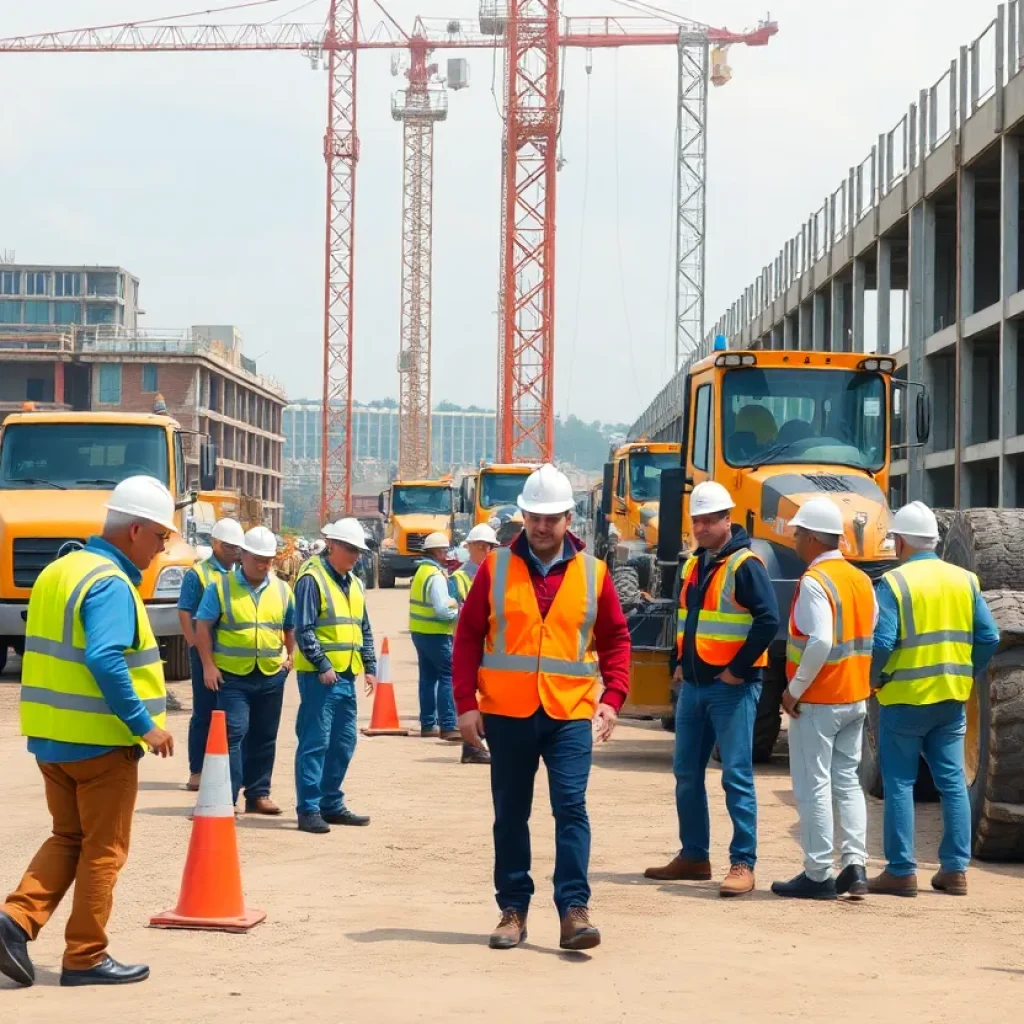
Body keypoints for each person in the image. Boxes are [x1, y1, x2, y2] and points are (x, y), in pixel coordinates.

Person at [0, 476, 176, 988]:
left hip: (52, 738)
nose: (162, 548)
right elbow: (103, 657)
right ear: (135, 530)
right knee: (104, 849)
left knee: (69, 836)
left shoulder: (60, 571)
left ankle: (14, 921)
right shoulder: (110, 583)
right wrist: (144, 726)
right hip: (101, 743)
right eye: (160, 536)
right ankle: (85, 956)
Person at [453, 464, 631, 951]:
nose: (542, 526)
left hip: (569, 713)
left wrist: (613, 698)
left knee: (571, 809)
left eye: (552, 518)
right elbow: (467, 637)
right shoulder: (495, 568)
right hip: (507, 713)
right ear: (524, 517)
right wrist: (465, 704)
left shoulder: (593, 573)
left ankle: (574, 911)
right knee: (510, 814)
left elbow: (616, 639)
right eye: (535, 517)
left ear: (569, 518)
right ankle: (513, 910)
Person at [644, 481, 778, 897]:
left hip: (731, 688)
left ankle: (743, 862)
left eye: (708, 520)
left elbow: (769, 621)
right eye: (696, 520)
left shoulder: (745, 565)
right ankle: (694, 856)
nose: (701, 528)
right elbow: (686, 619)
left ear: (727, 520)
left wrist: (737, 669)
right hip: (695, 685)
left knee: (735, 775)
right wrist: (679, 662)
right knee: (686, 773)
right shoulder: (693, 564)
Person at [868, 501, 1000, 898]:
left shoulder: (894, 583)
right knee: (953, 783)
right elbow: (989, 637)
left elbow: (882, 642)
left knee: (900, 783)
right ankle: (955, 870)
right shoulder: (965, 580)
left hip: (903, 700)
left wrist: (874, 679)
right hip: (951, 700)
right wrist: (966, 672)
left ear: (901, 542)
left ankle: (901, 871)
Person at [769, 499, 876, 901]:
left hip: (819, 700)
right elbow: (869, 629)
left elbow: (821, 641)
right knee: (847, 783)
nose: (795, 539)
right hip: (854, 696)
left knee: (813, 785)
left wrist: (793, 690)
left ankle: (818, 874)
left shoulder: (815, 582)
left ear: (813, 538)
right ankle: (855, 866)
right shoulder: (860, 580)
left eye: (798, 533)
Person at [195, 525, 296, 814]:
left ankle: (258, 794)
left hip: (270, 675)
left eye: (268, 560)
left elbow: (290, 626)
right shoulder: (221, 588)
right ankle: (226, 797)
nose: (264, 565)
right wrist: (208, 666)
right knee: (233, 734)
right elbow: (203, 627)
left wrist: (290, 658)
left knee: (265, 736)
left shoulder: (282, 590)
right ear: (243, 556)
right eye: (258, 560)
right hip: (232, 677)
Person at [292, 518, 378, 835]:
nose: (356, 556)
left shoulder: (354, 583)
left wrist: (370, 666)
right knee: (315, 742)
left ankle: (330, 803)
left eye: (358, 551)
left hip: (346, 674)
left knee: (343, 741)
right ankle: (309, 808)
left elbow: (363, 627)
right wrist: (322, 664)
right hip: (320, 677)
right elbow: (304, 628)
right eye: (350, 549)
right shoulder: (312, 579)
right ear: (332, 545)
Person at [177, 517, 244, 791]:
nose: (234, 552)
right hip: (204, 651)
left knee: (229, 713)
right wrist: (193, 642)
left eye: (237, 548)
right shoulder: (198, 574)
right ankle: (197, 770)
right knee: (204, 711)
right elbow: (185, 610)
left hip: (231, 652)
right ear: (215, 544)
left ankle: (225, 768)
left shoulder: (240, 574)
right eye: (229, 547)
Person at [449, 523, 500, 766]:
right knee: (472, 696)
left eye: (491, 547)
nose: (490, 551)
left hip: (488, 644)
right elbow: (452, 610)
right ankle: (473, 747)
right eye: (486, 546)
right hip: (469, 643)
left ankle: (477, 746)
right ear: (474, 547)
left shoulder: (494, 574)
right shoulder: (460, 577)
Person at [409, 531, 461, 742]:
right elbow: (442, 610)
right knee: (448, 675)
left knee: (428, 678)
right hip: (437, 633)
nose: (447, 555)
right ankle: (448, 725)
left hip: (420, 632)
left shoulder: (421, 572)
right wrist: (457, 611)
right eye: (445, 551)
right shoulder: (436, 576)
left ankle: (428, 724)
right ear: (438, 552)